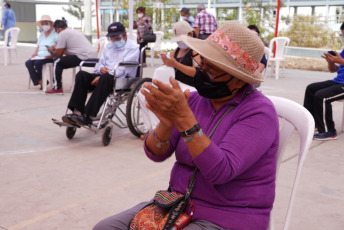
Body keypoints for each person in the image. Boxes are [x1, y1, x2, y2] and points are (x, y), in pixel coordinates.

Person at [93, 22, 279, 230]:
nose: (202, 72)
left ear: (239, 79)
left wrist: (184, 119)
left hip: (229, 216)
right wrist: (165, 124)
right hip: (176, 204)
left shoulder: (259, 112)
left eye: (212, 69)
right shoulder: (196, 100)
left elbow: (220, 171)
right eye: (202, 64)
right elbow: (156, 153)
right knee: (105, 228)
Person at [61, 22, 139, 126]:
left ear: (124, 34)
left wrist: (104, 75)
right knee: (81, 75)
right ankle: (77, 112)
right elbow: (99, 64)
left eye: (117, 37)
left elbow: (125, 69)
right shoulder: (109, 46)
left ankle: (88, 115)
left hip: (121, 79)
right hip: (104, 76)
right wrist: (101, 69)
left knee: (106, 78)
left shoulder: (133, 48)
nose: (114, 40)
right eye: (112, 38)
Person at [138, 20, 200, 139]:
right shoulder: (176, 50)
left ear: (190, 35)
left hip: (189, 86)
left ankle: (160, 132)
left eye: (181, 40)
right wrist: (166, 62)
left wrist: (175, 64)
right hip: (173, 82)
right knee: (143, 94)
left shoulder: (195, 50)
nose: (180, 43)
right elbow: (170, 66)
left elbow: (196, 72)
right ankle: (151, 128)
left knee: (162, 97)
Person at [303, 23, 344, 141]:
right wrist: (330, 62)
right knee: (311, 88)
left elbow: (341, 62)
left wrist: (340, 60)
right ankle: (313, 123)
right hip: (338, 81)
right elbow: (333, 70)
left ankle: (329, 131)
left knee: (321, 96)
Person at [46, 20, 97, 94]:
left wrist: (51, 51)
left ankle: (57, 87)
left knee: (57, 61)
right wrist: (60, 50)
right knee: (60, 60)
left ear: (58, 29)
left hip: (83, 58)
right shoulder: (72, 31)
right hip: (92, 58)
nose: (56, 33)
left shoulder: (62, 34)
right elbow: (70, 52)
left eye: (55, 31)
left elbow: (58, 55)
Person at [25, 15, 57, 90]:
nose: (44, 25)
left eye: (46, 23)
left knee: (37, 63)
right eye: (43, 23)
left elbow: (58, 45)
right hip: (39, 56)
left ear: (51, 24)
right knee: (28, 63)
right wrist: (35, 53)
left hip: (49, 56)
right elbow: (38, 46)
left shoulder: (55, 34)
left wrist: (53, 48)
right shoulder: (42, 34)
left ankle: (41, 82)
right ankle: (41, 81)